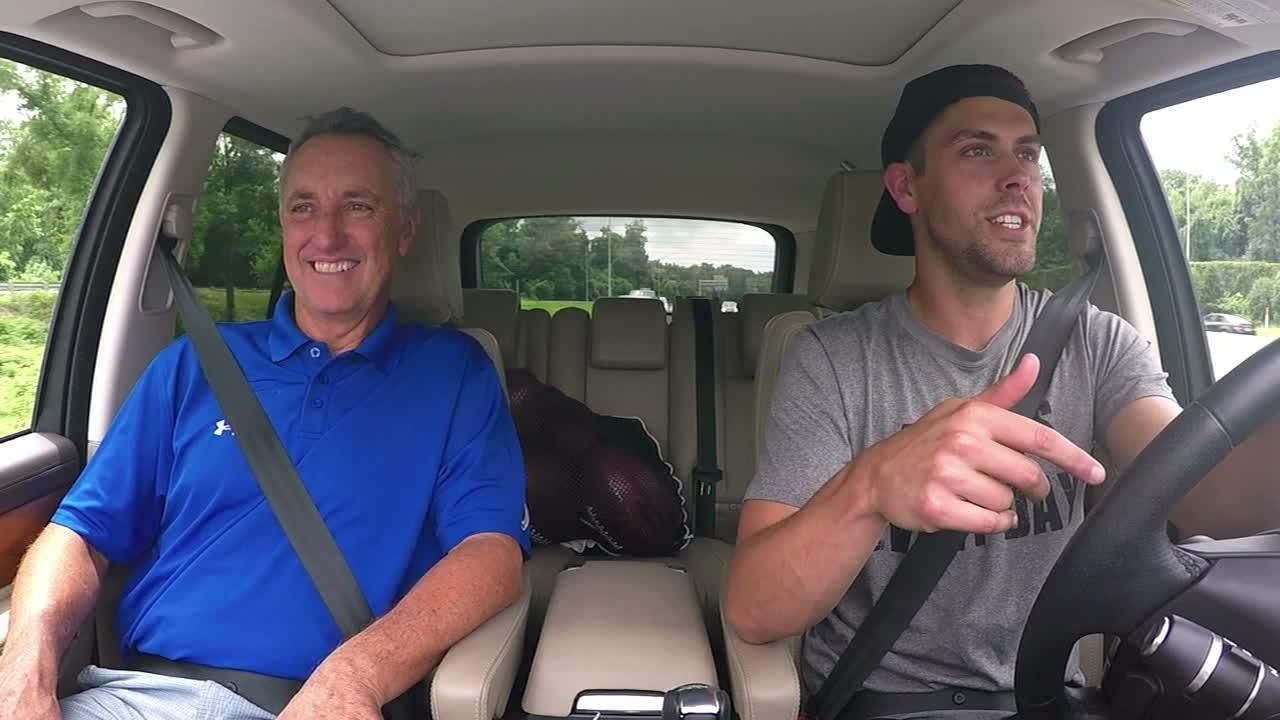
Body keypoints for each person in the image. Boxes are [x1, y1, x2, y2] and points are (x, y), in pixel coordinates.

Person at [0, 107, 529, 720]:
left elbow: (491, 553)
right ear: (283, 225)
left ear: (405, 230)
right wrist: (23, 668)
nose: (326, 236)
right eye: (304, 207)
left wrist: (355, 677)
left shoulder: (454, 373)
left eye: (358, 206)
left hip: (321, 704)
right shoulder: (194, 364)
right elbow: (80, 534)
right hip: (140, 699)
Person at [724, 64, 1188, 717]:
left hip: (1050, 697)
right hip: (883, 701)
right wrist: (874, 485)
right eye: (978, 150)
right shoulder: (830, 358)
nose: (1017, 177)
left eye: (1028, 153)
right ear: (906, 187)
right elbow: (753, 608)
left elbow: (1208, 486)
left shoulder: (1098, 343)